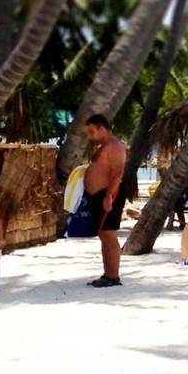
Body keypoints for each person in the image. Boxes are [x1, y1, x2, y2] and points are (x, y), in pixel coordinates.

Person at [80, 113, 127, 288]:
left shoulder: (114, 146)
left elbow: (117, 173)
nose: (90, 136)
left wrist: (109, 196)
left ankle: (113, 276)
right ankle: (108, 274)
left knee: (109, 234)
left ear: (102, 128)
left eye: (92, 131)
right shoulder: (104, 146)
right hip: (100, 194)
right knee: (104, 235)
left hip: (109, 194)